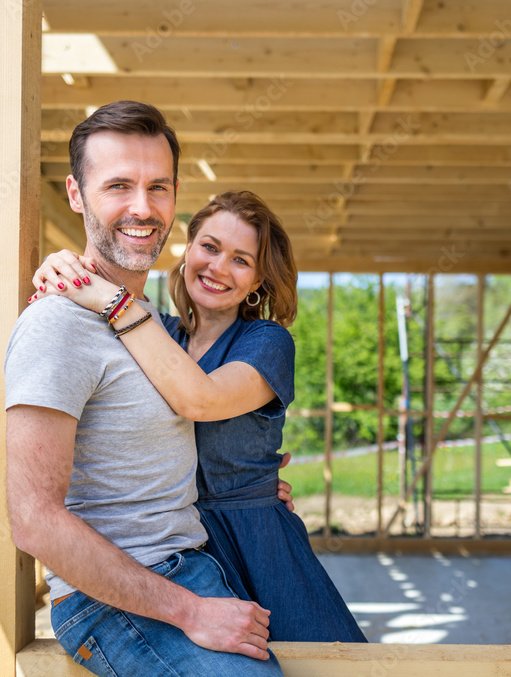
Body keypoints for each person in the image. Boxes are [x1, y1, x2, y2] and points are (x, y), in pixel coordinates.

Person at [4, 100, 284, 677]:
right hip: (113, 603)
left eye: (158, 187)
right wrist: (188, 611)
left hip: (193, 569)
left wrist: (255, 481)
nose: (142, 207)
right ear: (76, 194)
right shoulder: (57, 323)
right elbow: (33, 518)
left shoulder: (150, 321)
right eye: (118, 186)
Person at [29, 190, 367, 644]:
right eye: (209, 247)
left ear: (258, 281)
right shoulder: (155, 331)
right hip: (171, 546)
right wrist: (62, 266)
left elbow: (201, 401)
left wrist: (111, 299)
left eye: (241, 260)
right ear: (187, 250)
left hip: (253, 538)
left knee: (311, 660)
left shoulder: (266, 342)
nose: (218, 267)